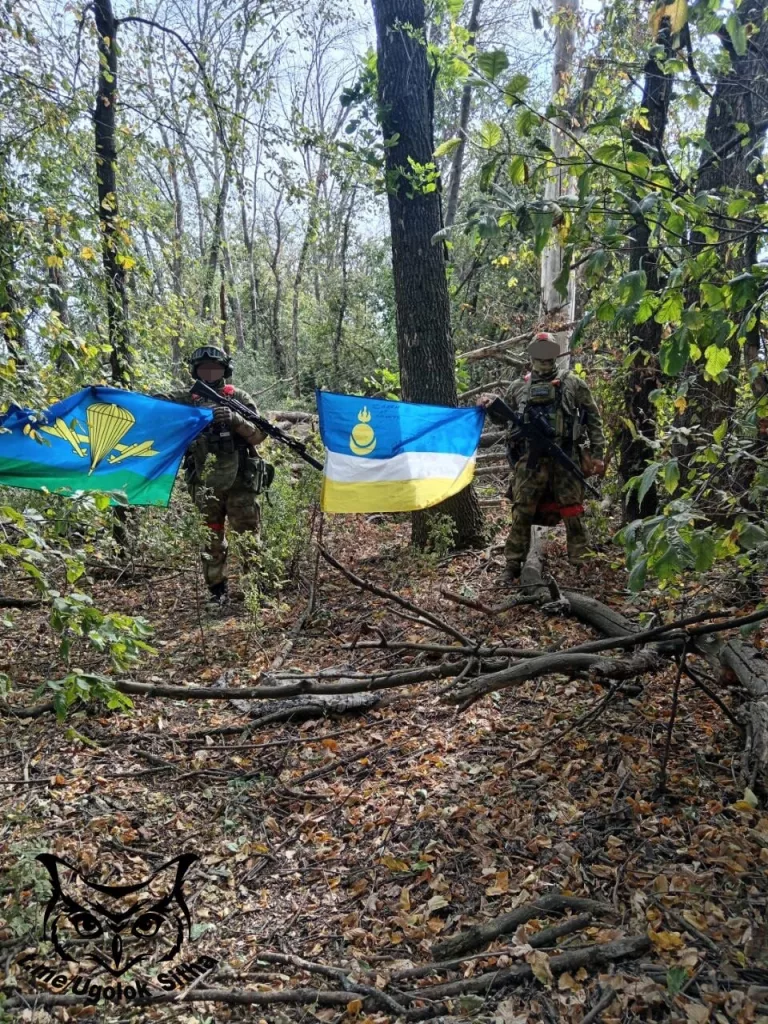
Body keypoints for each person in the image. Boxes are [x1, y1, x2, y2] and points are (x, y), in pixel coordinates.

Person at [477, 333, 606, 580]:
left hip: (565, 455)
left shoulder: (573, 383)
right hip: (530, 459)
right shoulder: (518, 387)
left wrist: (597, 454)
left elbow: (594, 418)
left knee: (573, 509)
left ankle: (582, 565)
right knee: (522, 510)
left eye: (549, 351)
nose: (544, 357)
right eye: (540, 350)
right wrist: (489, 404)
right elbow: (502, 418)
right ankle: (512, 565)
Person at [161, 346, 268, 605]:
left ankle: (254, 591)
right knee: (211, 537)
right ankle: (217, 592)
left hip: (241, 479)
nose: (210, 373)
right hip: (205, 480)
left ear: (224, 370)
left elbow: (260, 434)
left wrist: (235, 420)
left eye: (215, 368)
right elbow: (155, 405)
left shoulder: (238, 397)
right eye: (204, 368)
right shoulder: (187, 399)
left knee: (248, 535)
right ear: (196, 371)